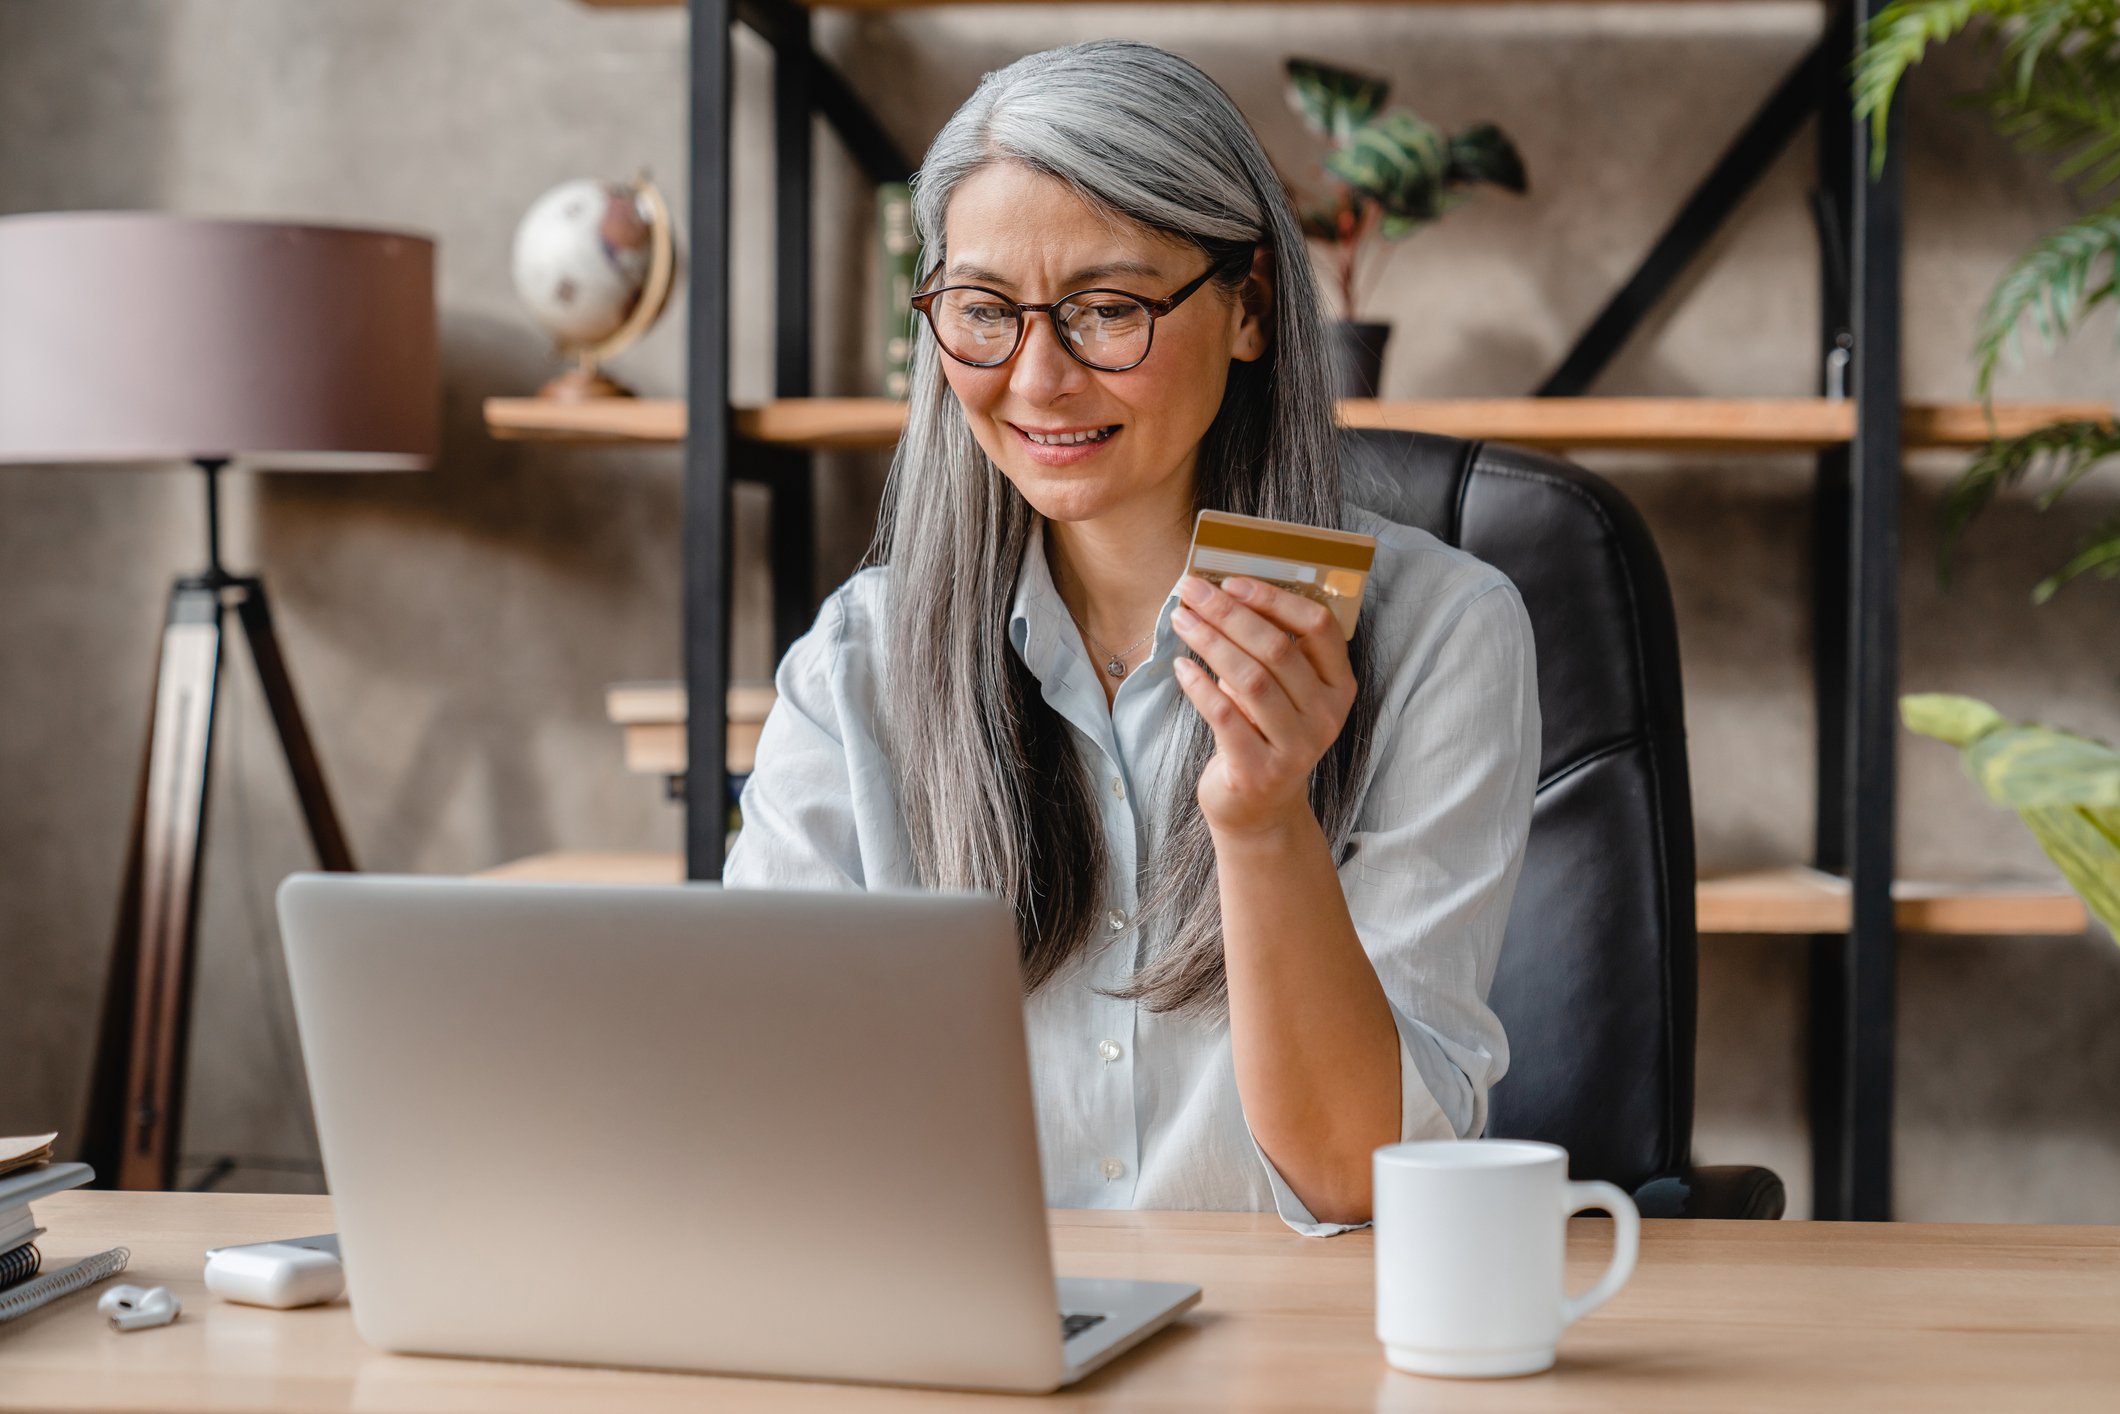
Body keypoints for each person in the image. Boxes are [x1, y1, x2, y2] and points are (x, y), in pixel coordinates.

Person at [725, 39, 1539, 1234]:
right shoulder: (857, 660)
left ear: (1249, 305)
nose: (1038, 378)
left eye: (1107, 310)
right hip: (959, 1332)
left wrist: (1263, 819)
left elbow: (1358, 1179)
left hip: (1289, 1350)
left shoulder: (1440, 637)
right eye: (982, 313)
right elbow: (746, 1106)